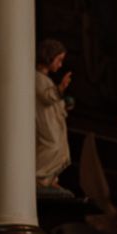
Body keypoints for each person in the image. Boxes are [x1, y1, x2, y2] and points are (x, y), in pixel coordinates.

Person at [34, 36, 72, 189]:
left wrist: (64, 106)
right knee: (52, 146)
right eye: (59, 60)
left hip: (53, 120)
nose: (60, 64)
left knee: (60, 147)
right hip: (45, 120)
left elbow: (53, 101)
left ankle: (48, 179)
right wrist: (61, 88)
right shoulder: (38, 78)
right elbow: (47, 97)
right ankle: (36, 175)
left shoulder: (46, 79)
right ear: (48, 57)